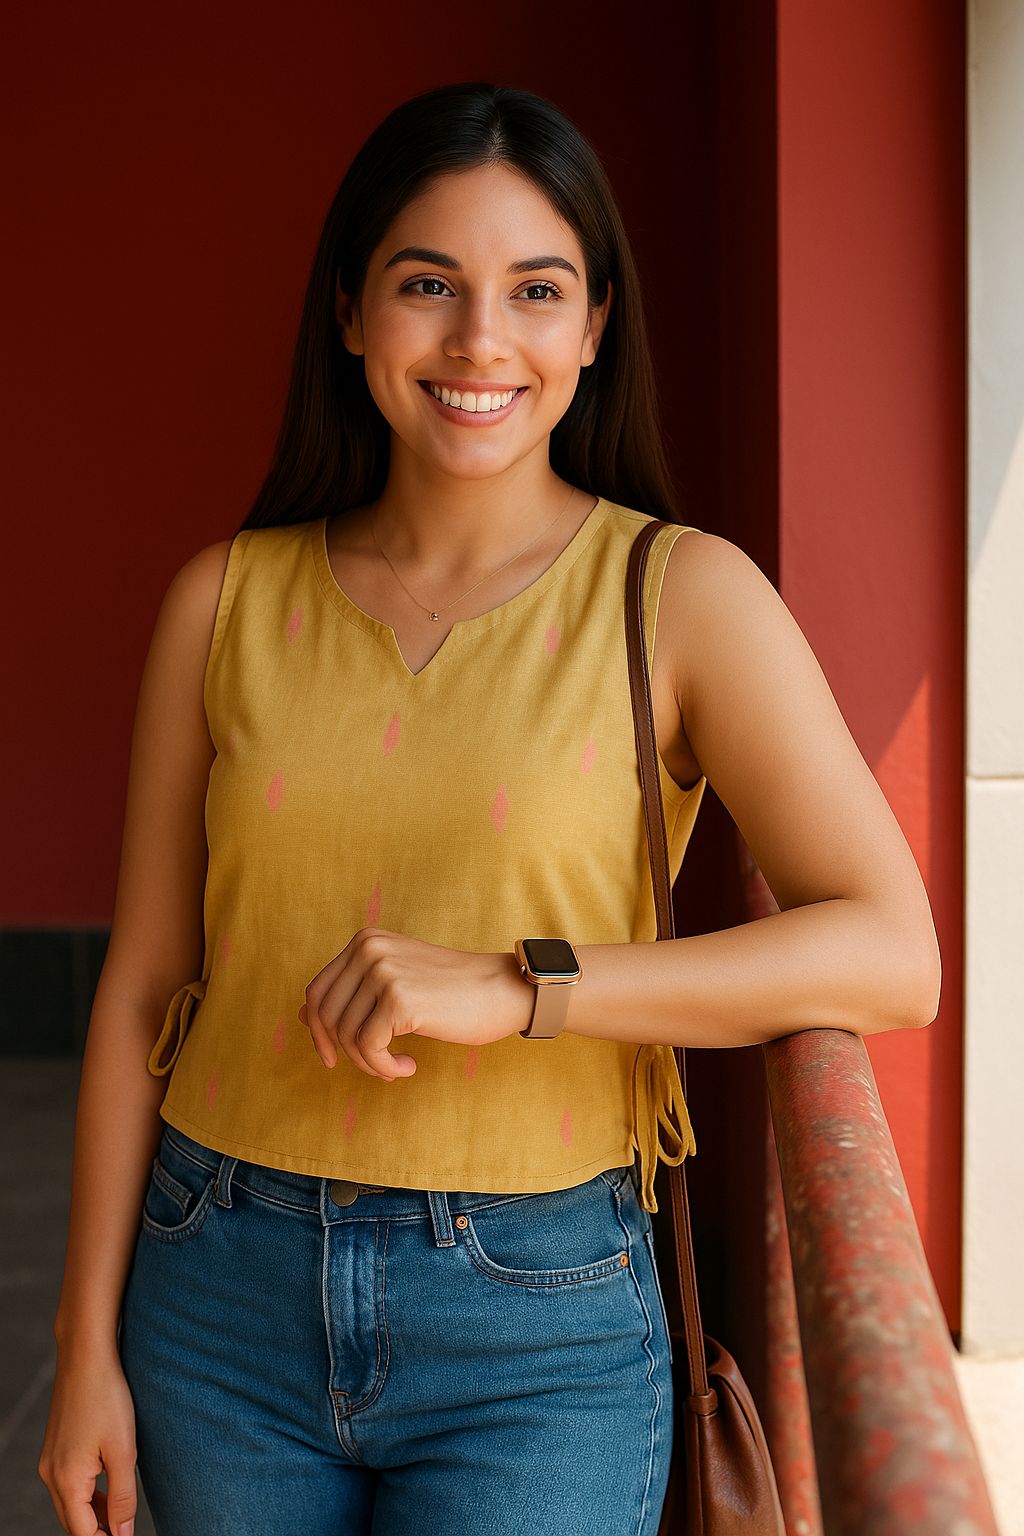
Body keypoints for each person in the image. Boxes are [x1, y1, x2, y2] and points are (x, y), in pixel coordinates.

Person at [37, 80, 941, 1536]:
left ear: (592, 330)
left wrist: (527, 988)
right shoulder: (220, 602)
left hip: (542, 1325)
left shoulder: (683, 598)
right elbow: (142, 987)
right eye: (427, 285)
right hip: (216, 1298)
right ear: (349, 313)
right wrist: (84, 1345)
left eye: (536, 290)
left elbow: (895, 954)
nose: (479, 341)